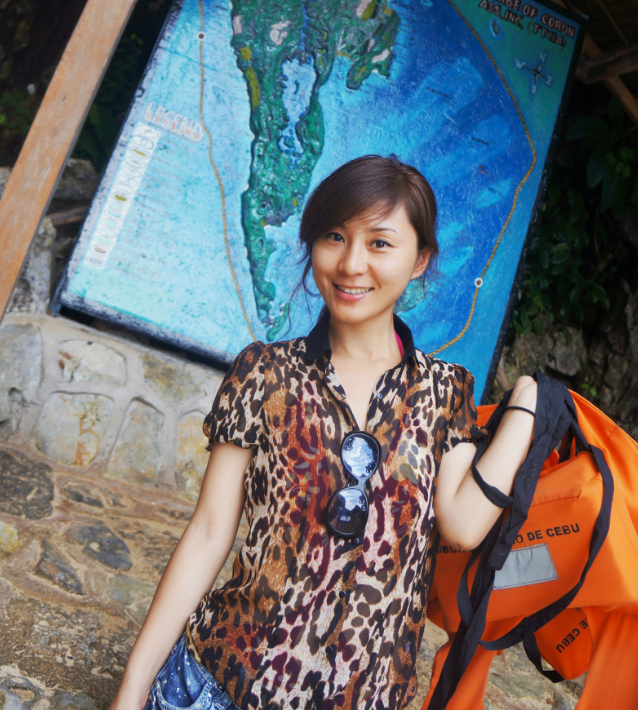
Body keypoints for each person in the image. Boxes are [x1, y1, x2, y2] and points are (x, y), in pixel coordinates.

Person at [110, 154, 538, 710]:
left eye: (380, 243)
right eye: (335, 236)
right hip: (220, 686)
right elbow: (209, 532)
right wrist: (132, 686)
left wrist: (528, 405)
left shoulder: (445, 391)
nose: (351, 264)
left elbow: (463, 524)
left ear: (419, 260)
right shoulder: (264, 372)